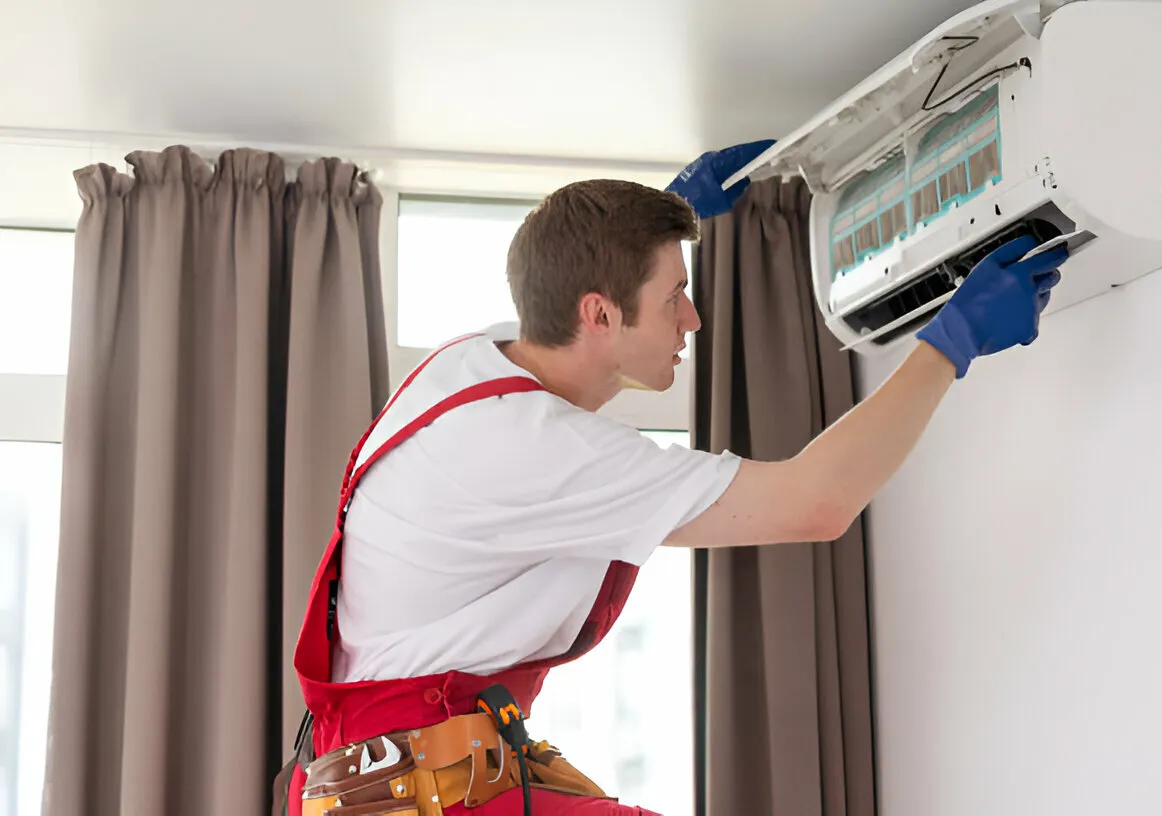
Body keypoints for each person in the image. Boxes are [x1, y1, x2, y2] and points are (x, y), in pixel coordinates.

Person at [277, 143, 1067, 816]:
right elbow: (816, 503)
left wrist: (650, 217)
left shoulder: (467, 365)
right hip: (424, 790)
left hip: (403, 776)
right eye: (674, 296)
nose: (691, 319)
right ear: (598, 315)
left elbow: (576, 267)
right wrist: (950, 341)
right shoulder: (537, 449)